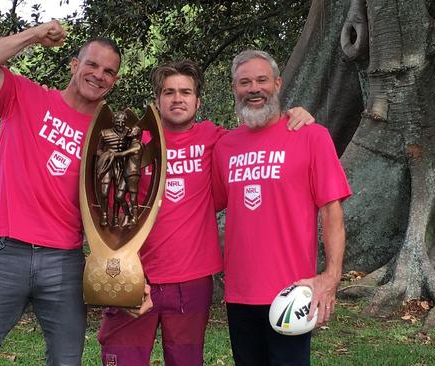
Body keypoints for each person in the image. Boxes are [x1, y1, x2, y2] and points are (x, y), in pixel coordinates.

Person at [97, 60, 315, 366]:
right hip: (135, 273)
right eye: (168, 92)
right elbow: (106, 214)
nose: (177, 98)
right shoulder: (132, 143)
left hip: (192, 281)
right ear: (157, 100)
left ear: (198, 101)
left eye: (185, 92)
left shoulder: (218, 140)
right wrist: (119, 272)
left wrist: (295, 114)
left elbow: (260, 133)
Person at [0, 20, 130, 366]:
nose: (98, 74)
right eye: (91, 64)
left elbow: (115, 212)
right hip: (6, 252)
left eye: (108, 71)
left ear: (115, 81)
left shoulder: (111, 136)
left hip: (64, 262)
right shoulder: (24, 97)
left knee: (66, 361)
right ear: (74, 65)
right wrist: (34, 36)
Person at [211, 50, 352, 366]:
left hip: (293, 292)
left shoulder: (311, 136)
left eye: (262, 80)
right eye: (244, 82)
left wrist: (330, 277)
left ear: (277, 83)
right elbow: (207, 202)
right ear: (234, 88)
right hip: (239, 292)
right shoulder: (224, 146)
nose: (254, 88)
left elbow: (332, 212)